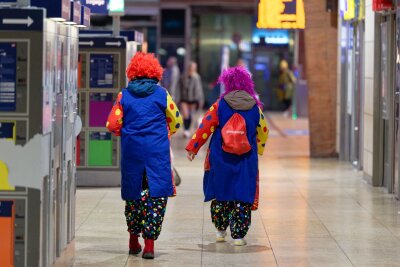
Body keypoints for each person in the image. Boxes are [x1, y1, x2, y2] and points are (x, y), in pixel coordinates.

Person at [106, 52, 182, 259]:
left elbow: (112, 124)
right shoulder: (162, 94)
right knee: (155, 196)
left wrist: (128, 133)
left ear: (133, 72)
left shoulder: (124, 95)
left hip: (132, 153)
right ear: (154, 72)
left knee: (133, 195)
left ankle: (133, 240)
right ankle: (149, 246)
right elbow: (176, 121)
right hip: (156, 153)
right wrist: (164, 133)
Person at [185, 66, 268, 246]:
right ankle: (238, 236)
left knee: (221, 193)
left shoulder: (219, 104)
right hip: (246, 160)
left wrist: (193, 147)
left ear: (227, 84)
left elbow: (205, 126)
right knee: (242, 195)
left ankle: (220, 231)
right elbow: (263, 131)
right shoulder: (255, 107)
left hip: (221, 157)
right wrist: (258, 149)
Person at [178, 61, 204, 138]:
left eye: (193, 67)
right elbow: (179, 88)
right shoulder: (183, 76)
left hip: (193, 99)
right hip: (184, 98)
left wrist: (200, 99)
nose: (192, 69)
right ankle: (185, 130)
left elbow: (199, 89)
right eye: (191, 67)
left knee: (191, 115)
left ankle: (188, 130)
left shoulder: (197, 77)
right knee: (185, 115)